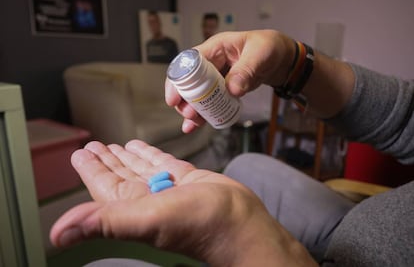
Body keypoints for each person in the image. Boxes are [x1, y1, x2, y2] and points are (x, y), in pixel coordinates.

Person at [50, 30, 414, 266]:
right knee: (246, 164)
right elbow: (403, 118)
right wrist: (291, 60)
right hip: (368, 222)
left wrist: (251, 242)